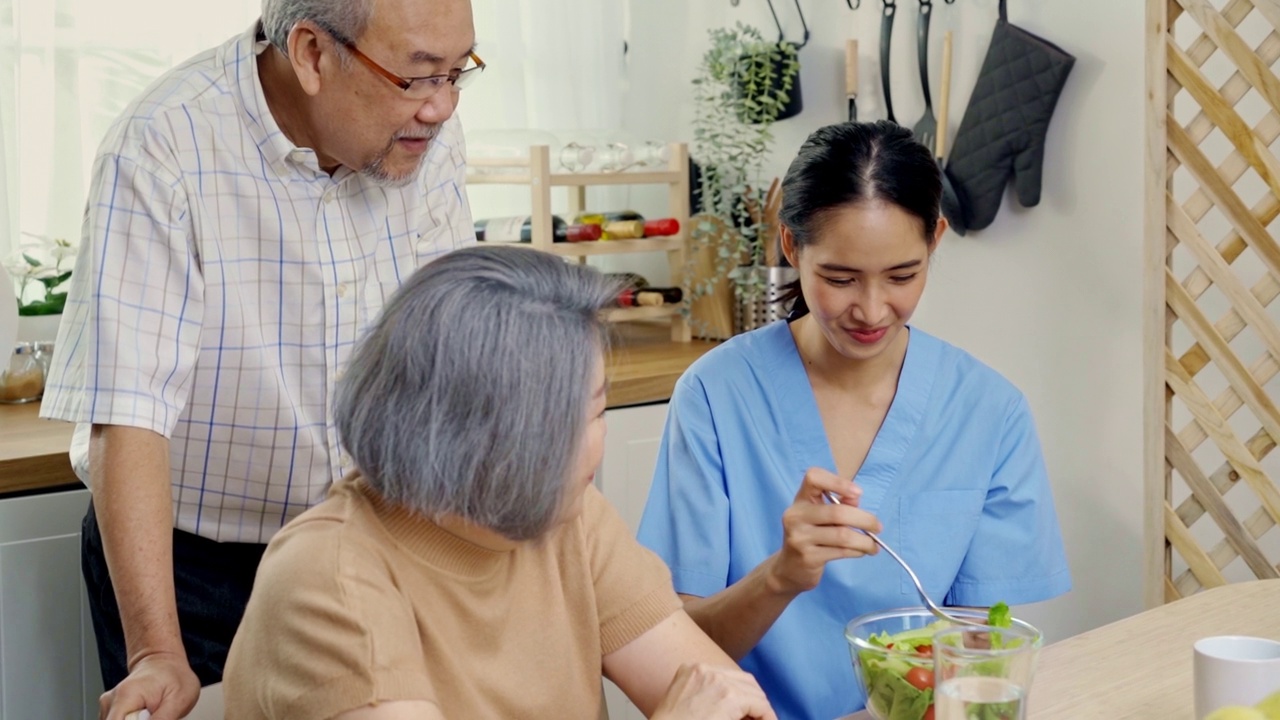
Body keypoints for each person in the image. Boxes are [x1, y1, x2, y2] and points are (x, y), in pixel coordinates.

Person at [38, 0, 478, 717]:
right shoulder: (163, 146)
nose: (442, 107)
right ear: (310, 53)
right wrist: (156, 652)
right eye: (418, 77)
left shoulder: (420, 133)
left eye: (458, 73)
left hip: (372, 545)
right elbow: (128, 413)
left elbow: (444, 354)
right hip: (197, 567)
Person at [221, 245, 777, 720]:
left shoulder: (566, 514)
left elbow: (722, 699)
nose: (596, 443)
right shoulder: (328, 581)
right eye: (585, 415)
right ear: (484, 437)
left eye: (599, 409)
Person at [636, 121, 1072, 720]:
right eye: (840, 279)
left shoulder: (989, 412)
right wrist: (780, 577)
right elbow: (677, 664)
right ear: (791, 247)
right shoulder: (716, 396)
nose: (870, 309)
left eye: (902, 276)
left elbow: (980, 651)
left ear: (936, 239)